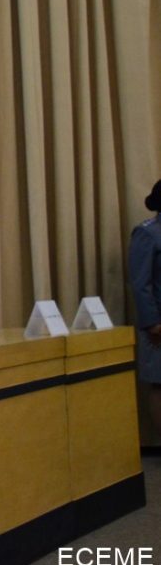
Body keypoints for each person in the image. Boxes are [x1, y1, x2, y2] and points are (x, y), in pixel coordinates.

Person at [127, 180, 161, 438]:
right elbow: (141, 282)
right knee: (160, 384)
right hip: (159, 325)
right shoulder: (148, 233)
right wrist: (152, 322)